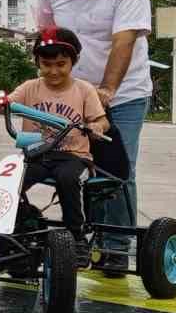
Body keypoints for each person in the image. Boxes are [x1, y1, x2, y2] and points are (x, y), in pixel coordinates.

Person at [35, 0, 152, 276]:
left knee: (116, 168)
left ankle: (115, 246)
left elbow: (124, 41)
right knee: (73, 164)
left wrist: (106, 90)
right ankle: (79, 239)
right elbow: (46, 39)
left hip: (124, 92)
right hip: (71, 95)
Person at [7, 28, 108, 266]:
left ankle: (76, 236)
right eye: (46, 64)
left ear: (74, 62)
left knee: (67, 179)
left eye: (61, 64)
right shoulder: (30, 87)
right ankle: (20, 227)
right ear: (37, 63)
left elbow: (102, 120)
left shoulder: (84, 90)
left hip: (74, 156)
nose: (53, 71)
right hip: (38, 155)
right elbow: (7, 104)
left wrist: (97, 127)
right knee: (11, 180)